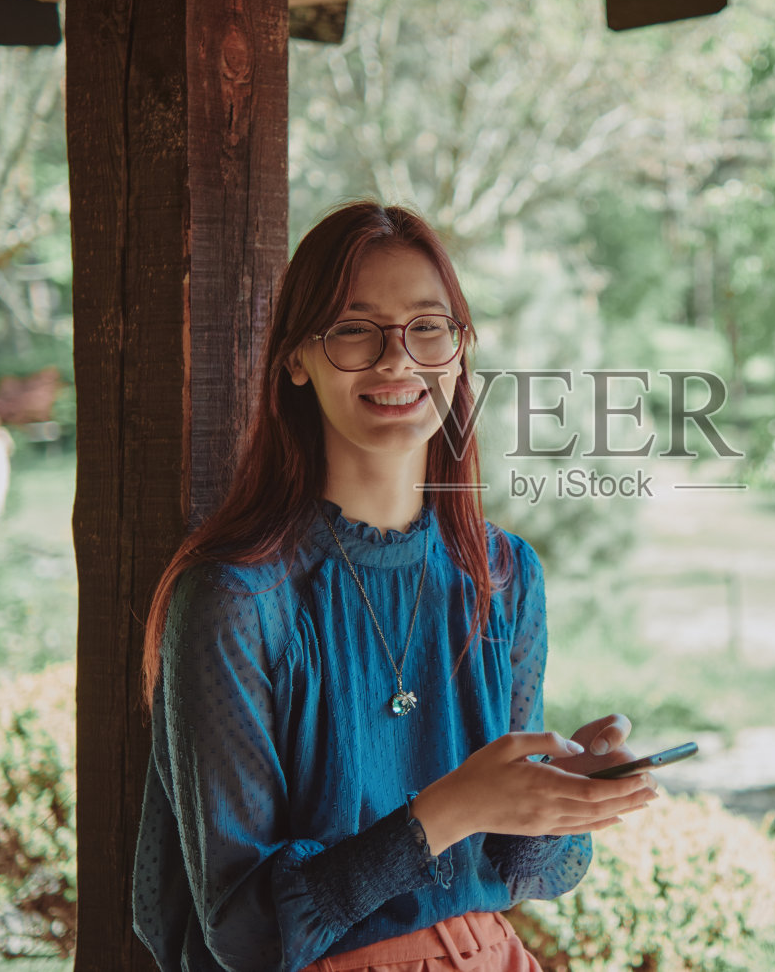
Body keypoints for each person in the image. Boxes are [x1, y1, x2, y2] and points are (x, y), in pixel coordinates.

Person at [133, 201, 657, 972]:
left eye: (428, 326)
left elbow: (518, 874)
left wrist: (556, 792)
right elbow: (244, 932)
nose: (397, 360)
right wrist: (452, 807)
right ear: (297, 358)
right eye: (354, 328)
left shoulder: (504, 576)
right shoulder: (236, 598)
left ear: (460, 350)